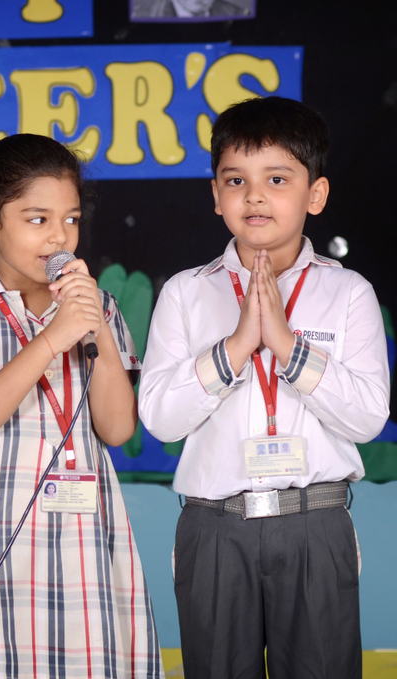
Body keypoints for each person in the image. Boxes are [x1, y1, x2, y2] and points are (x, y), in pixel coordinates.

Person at [139, 96, 390, 679]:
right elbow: (160, 418)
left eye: (277, 178)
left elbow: (367, 418)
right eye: (236, 180)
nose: (254, 195)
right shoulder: (185, 292)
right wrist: (235, 347)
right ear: (216, 196)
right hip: (214, 526)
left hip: (315, 523)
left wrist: (286, 345)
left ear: (315, 194)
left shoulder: (348, 292)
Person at [0, 134, 163, 678]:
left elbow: (116, 427)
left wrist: (95, 326)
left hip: (84, 531)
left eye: (69, 219)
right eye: (37, 219)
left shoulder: (98, 305)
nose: (59, 236)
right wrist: (52, 338)